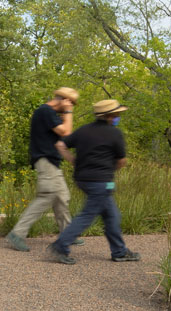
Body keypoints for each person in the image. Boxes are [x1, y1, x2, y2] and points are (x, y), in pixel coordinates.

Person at [47, 99, 141, 264]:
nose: (119, 116)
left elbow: (60, 145)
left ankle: (119, 251)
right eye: (117, 114)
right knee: (87, 215)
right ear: (110, 116)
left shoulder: (84, 130)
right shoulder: (114, 134)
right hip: (101, 182)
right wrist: (110, 170)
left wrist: (74, 161)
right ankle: (60, 246)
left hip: (82, 179)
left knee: (112, 215)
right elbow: (122, 161)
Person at [5, 87, 81, 252]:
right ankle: (17, 234)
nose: (71, 107)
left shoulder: (51, 114)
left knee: (62, 197)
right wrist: (68, 112)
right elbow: (66, 132)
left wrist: (72, 160)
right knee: (46, 197)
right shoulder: (45, 111)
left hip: (51, 162)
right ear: (63, 100)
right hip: (45, 161)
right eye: (71, 103)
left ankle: (68, 234)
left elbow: (61, 139)